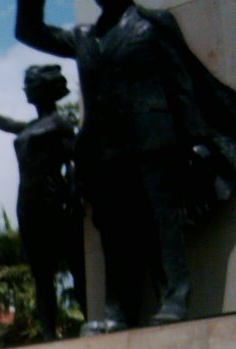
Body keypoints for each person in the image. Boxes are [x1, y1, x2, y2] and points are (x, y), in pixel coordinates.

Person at [15, 0, 236, 328]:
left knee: (164, 224)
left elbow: (181, 85)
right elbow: (29, 32)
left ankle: (175, 296)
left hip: (153, 140)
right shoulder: (85, 36)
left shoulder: (151, 25)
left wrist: (199, 141)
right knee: (114, 233)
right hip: (105, 150)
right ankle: (117, 310)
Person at [0, 64, 86, 340]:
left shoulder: (60, 123)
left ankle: (90, 319)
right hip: (28, 202)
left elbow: (76, 160)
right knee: (41, 274)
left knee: (76, 265)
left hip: (54, 198)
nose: (26, 88)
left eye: (30, 83)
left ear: (44, 89)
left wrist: (74, 191)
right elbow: (8, 124)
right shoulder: (32, 126)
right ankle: (50, 333)